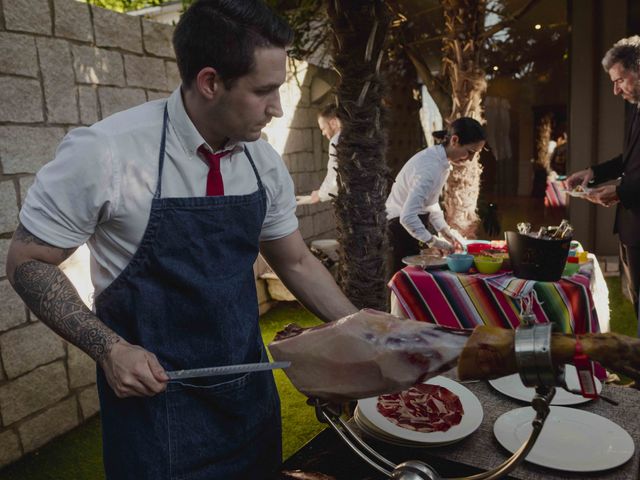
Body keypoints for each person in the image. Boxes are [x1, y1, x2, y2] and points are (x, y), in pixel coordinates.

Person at [5, 1, 358, 478]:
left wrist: (360, 329)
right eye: (264, 91)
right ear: (210, 82)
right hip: (154, 408)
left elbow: (294, 260)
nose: (277, 108)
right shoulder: (105, 153)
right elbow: (28, 261)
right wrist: (108, 348)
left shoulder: (262, 160)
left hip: (249, 394)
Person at [566, 35, 640, 334]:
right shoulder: (636, 108)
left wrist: (620, 191)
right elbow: (631, 159)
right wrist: (593, 172)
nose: (615, 89)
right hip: (631, 227)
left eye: (620, 80)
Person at [386, 117, 486, 275]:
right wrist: (433, 241)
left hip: (412, 226)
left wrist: (445, 231)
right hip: (398, 228)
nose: (470, 159)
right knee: (404, 282)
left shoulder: (441, 163)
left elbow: (430, 204)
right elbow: (407, 216)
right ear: (454, 140)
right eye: (469, 152)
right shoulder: (430, 166)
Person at [310, 103, 342, 203]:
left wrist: (320, 194)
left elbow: (335, 177)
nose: (323, 133)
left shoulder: (336, 142)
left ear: (333, 123)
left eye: (323, 128)